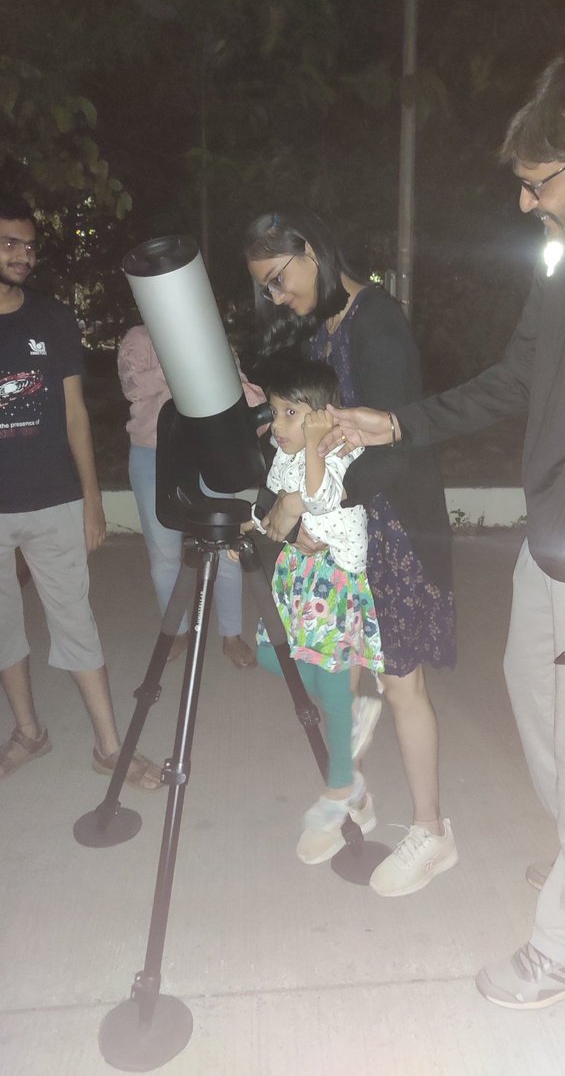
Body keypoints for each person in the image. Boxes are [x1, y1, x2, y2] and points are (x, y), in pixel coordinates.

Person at [320, 41, 565, 1007]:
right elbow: (520, 375)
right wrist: (399, 422)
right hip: (549, 540)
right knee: (536, 703)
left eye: (537, 181)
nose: (523, 203)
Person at [244, 210, 457, 897]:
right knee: (332, 667)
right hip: (343, 529)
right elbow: (304, 432)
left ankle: (431, 830)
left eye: (279, 278)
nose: (277, 296)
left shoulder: (376, 323)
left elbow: (397, 448)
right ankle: (350, 792)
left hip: (393, 530)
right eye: (266, 288)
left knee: (401, 683)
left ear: (311, 250)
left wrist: (312, 509)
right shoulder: (322, 326)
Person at [0, 193, 161, 789]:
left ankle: (109, 748)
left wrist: (93, 499)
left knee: (75, 620)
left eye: (29, 245)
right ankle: (29, 733)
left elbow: (74, 413)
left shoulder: (52, 318)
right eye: (9, 243)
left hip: (55, 499)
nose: (23, 255)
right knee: (2, 628)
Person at [238, 358, 384, 863]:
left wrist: (318, 441)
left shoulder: (338, 451)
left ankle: (341, 788)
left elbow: (318, 500)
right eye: (275, 411)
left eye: (290, 413)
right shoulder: (286, 453)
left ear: (322, 415)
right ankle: (351, 716)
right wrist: (255, 523)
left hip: (334, 583)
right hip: (298, 578)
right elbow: (278, 503)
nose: (277, 424)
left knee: (330, 687)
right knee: (270, 656)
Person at [118, 324, 259, 667]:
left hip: (210, 452)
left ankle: (231, 635)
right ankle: (177, 630)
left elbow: (237, 386)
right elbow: (133, 388)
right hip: (152, 456)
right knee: (164, 554)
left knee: (225, 545)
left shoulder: (208, 330)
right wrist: (185, 365)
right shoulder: (139, 338)